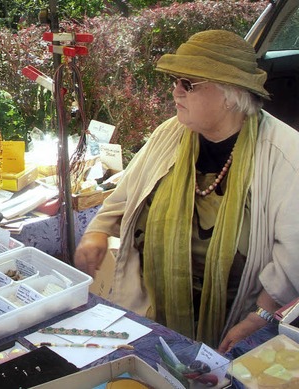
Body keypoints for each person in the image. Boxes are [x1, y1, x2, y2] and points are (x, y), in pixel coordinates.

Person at [74, 30, 299, 352]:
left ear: (229, 93)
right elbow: (127, 194)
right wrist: (97, 231)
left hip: (234, 321)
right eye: (174, 81)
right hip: (156, 308)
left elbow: (294, 258)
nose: (175, 92)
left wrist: (259, 316)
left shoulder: (286, 156)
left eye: (187, 84)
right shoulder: (172, 132)